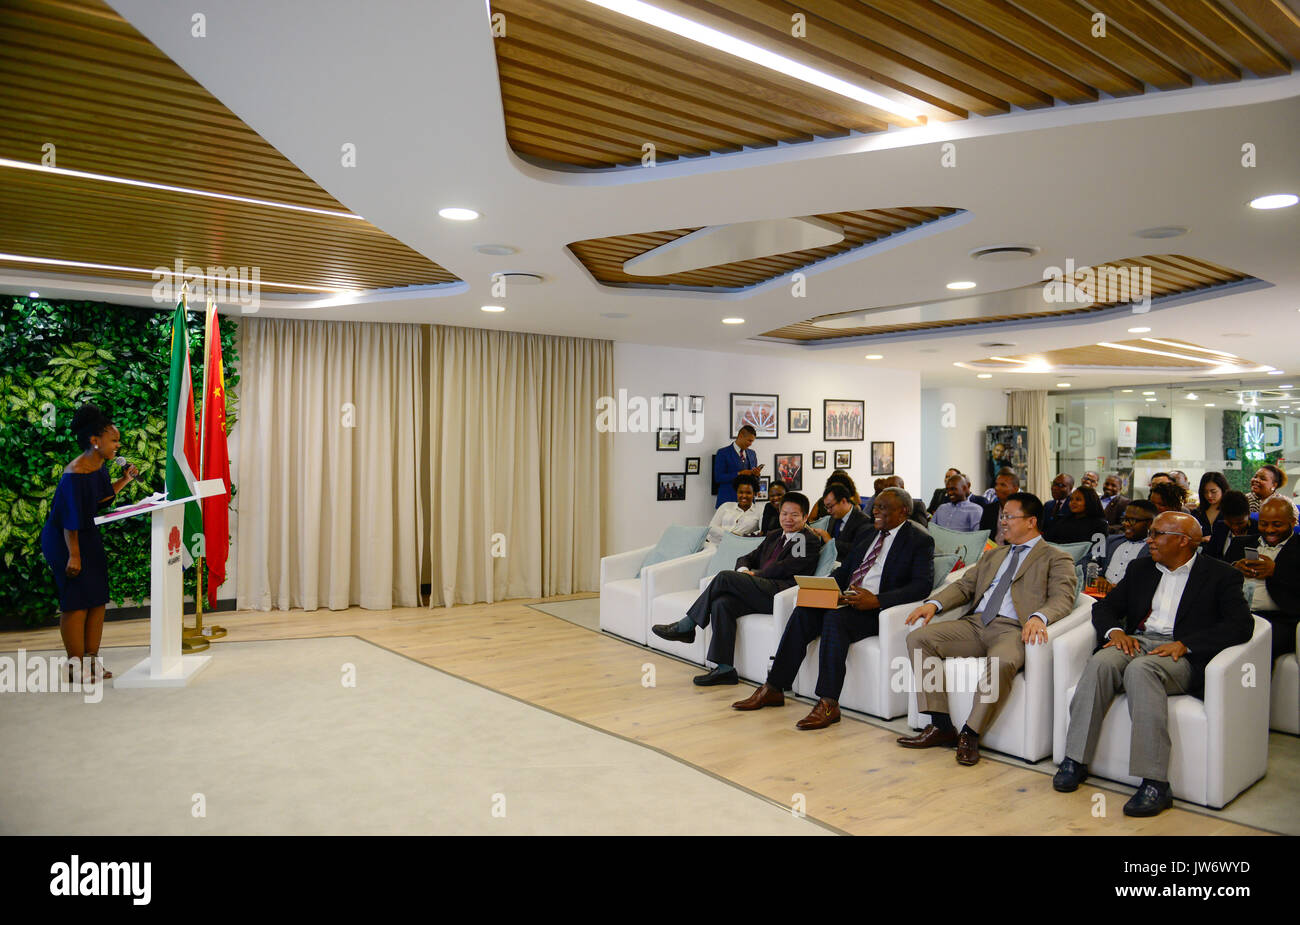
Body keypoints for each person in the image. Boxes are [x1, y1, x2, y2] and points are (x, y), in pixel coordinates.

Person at [1052, 512, 1252, 817]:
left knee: (1141, 670)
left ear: (1183, 541)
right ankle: (1074, 760)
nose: (1150, 539)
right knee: (1102, 662)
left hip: (1182, 654)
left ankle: (1155, 783)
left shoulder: (1220, 575)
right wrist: (1115, 632)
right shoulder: (1142, 568)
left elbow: (1241, 625)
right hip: (1139, 641)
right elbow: (1106, 607)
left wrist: (1187, 644)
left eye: (1157, 533)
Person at [899, 492, 1077, 766]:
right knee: (919, 638)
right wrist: (934, 603)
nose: (1003, 522)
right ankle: (941, 724)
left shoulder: (1055, 557)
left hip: (1013, 629)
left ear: (1031, 522)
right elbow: (964, 586)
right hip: (976, 624)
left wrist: (1040, 616)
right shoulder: (994, 555)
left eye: (1009, 516)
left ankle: (970, 733)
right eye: (1002, 516)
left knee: (1002, 662)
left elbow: (1062, 598)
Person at [732, 488, 935, 727]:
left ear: (904, 511)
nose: (876, 512)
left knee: (835, 620)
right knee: (803, 611)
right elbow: (845, 570)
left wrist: (877, 600)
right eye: (876, 507)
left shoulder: (919, 540)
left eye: (883, 508)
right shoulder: (868, 533)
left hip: (876, 611)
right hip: (848, 599)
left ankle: (828, 703)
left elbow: (922, 586)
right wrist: (824, 589)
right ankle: (774, 687)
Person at [651, 492, 822, 686]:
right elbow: (747, 557)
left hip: (779, 594)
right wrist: (743, 569)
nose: (788, 519)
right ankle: (725, 669)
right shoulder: (774, 535)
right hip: (761, 589)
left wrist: (754, 575)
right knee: (722, 603)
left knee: (725, 577)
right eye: (784, 514)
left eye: (794, 515)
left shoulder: (807, 540)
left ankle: (687, 625)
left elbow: (785, 568)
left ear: (805, 517)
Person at [39, 404, 139, 683]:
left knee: (97, 600)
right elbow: (69, 520)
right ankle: (74, 666)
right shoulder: (76, 472)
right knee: (76, 602)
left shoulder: (99, 466)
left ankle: (92, 662)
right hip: (65, 539)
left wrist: (126, 479)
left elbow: (101, 500)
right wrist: (74, 556)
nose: (118, 445)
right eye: (114, 440)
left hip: (86, 532)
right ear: (95, 441)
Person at [1227, 497, 1299, 662]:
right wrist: (1234, 569)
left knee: (1255, 646)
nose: (1269, 530)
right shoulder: (1240, 543)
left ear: (1293, 522)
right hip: (1236, 614)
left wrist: (1276, 571)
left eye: (1277, 524)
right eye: (1264, 524)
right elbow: (1215, 576)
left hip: (1280, 619)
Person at [1095, 500, 1156, 592]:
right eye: (1125, 519)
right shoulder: (1111, 541)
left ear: (1150, 523)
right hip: (1099, 594)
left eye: (1132, 520)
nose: (1125, 524)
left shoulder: (1154, 549)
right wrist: (1098, 576)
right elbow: (1087, 561)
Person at [808, 482, 871, 547]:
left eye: (831, 506)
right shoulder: (833, 518)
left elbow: (858, 549)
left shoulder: (863, 521)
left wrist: (830, 541)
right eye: (826, 507)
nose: (828, 511)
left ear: (843, 501)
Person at [705, 474, 763, 544]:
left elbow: (760, 534)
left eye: (748, 493)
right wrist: (733, 536)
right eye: (741, 492)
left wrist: (741, 537)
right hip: (713, 544)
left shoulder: (759, 512)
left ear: (754, 494)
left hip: (738, 547)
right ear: (736, 492)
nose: (744, 496)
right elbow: (711, 528)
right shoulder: (726, 506)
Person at [712, 425, 761, 508]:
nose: (750, 444)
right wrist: (739, 473)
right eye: (749, 440)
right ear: (741, 436)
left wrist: (756, 475)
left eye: (752, 441)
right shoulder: (723, 453)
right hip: (727, 501)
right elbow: (718, 477)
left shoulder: (752, 454)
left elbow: (755, 480)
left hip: (748, 503)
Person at [1205, 490, 1257, 560]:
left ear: (1248, 514)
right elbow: (1209, 556)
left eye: (1240, 523)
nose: (1235, 527)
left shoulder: (1258, 531)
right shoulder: (1219, 528)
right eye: (1230, 523)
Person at [978, 468, 1020, 544]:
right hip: (991, 552)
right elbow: (982, 537)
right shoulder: (988, 509)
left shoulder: (1023, 511)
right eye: (996, 484)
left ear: (1015, 489)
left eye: (1003, 485)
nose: (997, 488)